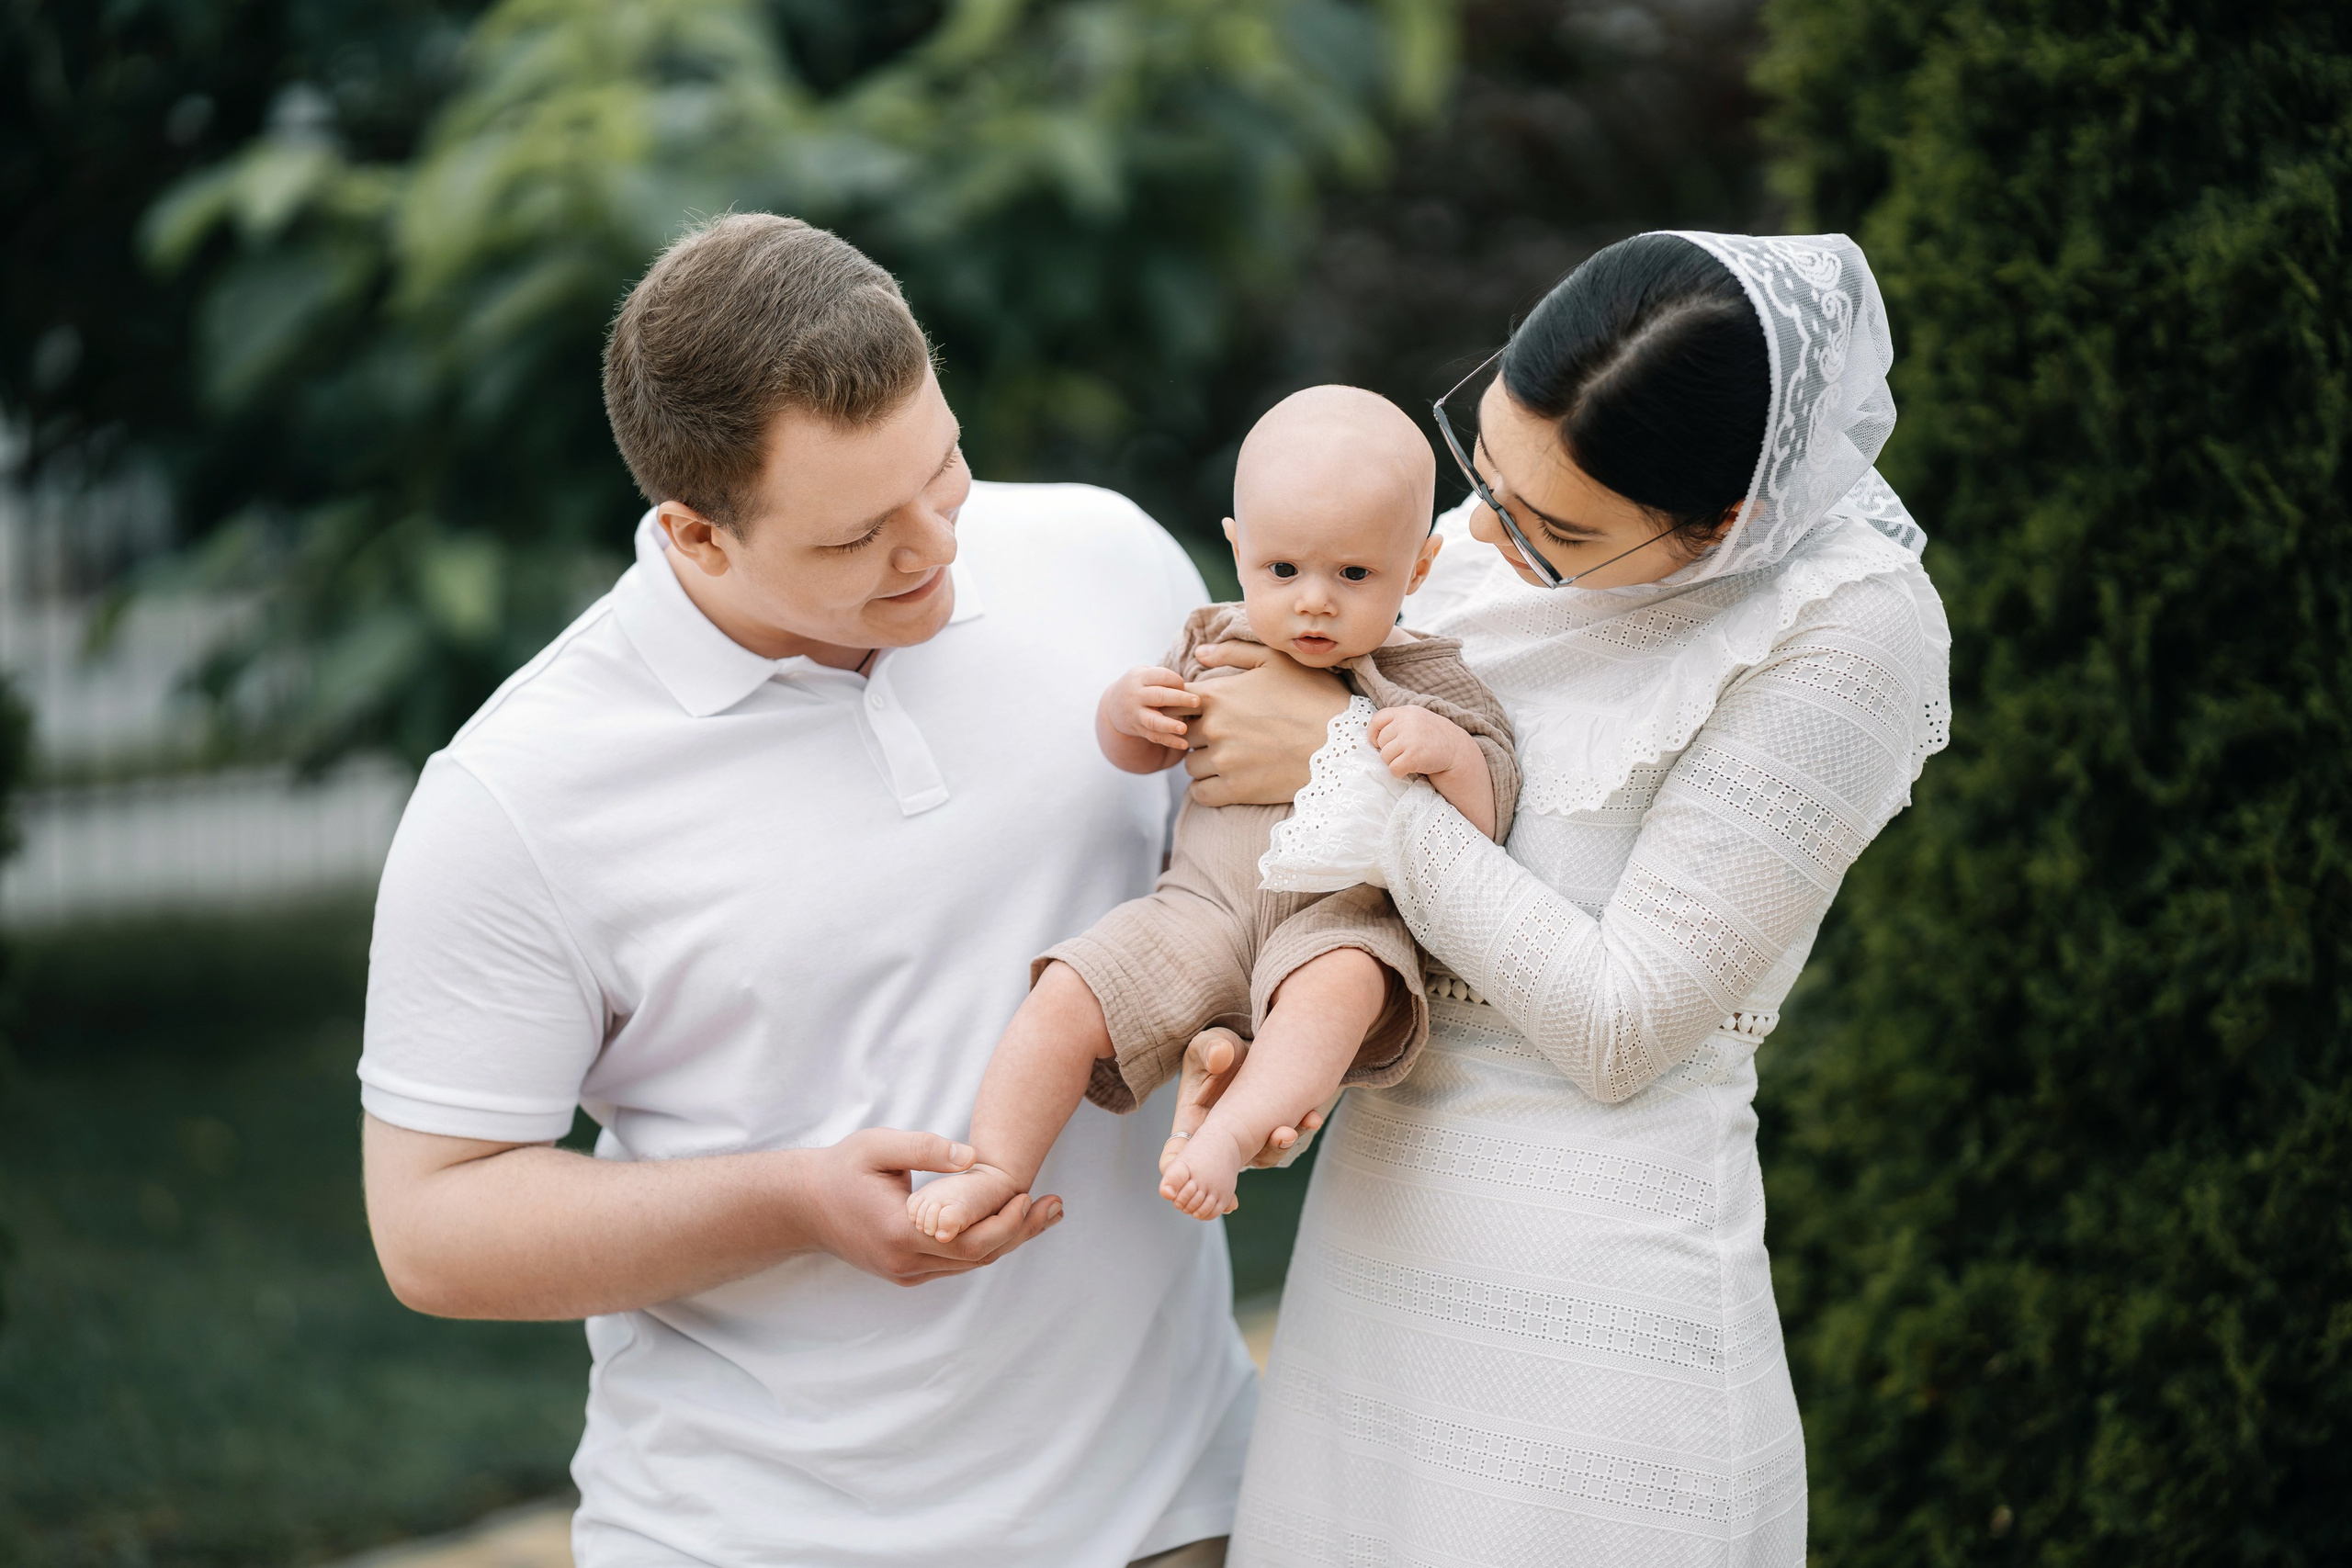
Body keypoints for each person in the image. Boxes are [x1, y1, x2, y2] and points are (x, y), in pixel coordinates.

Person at [356, 213, 1256, 1568]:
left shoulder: (1108, 559)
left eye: (943, 470)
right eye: (857, 539)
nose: (935, 551)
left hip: (1177, 1510)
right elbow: (432, 1227)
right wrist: (790, 1200)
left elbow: (1232, 888)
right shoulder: (516, 794)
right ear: (695, 534)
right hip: (758, 1534)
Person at [1178, 232, 1953, 1564]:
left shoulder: (1849, 627)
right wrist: (1271, 1047)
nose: (1485, 532)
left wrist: (1351, 780)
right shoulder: (1467, 541)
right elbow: (1310, 855)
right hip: (1371, 1263)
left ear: (1729, 522)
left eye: (1563, 531)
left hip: (1595, 1324)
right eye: (1486, 467)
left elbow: (1622, 1022)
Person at [907, 386, 1520, 1242]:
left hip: (1335, 921)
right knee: (1068, 990)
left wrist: (1450, 754)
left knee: (1344, 984)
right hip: (1198, 907)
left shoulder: (1427, 676)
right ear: (1239, 553)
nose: (1313, 601)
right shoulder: (1209, 640)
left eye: (1353, 574)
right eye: (1283, 570)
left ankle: (1226, 1135)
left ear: (1416, 569)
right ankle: (996, 1166)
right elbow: (1143, 753)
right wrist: (1127, 714)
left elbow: (1489, 818)